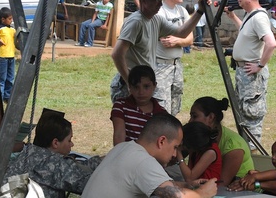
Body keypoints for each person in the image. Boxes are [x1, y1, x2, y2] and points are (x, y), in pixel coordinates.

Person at [81, 113, 217, 198]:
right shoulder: (143, 162)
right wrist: (202, 194)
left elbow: (157, 185)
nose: (175, 154)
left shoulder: (124, 148)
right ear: (162, 141)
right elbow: (176, 196)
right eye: (175, 147)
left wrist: (188, 185)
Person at [110, 0, 206, 103]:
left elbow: (182, 33)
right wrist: (130, 83)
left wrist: (200, 12)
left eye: (161, 0)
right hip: (132, 84)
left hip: (143, 82)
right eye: (156, 0)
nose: (160, 4)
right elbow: (117, 54)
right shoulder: (136, 22)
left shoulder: (156, 19)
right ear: (144, 2)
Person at [3, 113, 103, 198]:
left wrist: (102, 160)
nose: (72, 144)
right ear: (55, 143)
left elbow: (74, 167)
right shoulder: (53, 163)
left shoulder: (29, 152)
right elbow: (94, 184)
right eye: (69, 140)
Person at [225, 0, 276, 146]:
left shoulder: (259, 17)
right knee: (243, 114)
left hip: (252, 74)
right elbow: (246, 32)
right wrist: (233, 17)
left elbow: (271, 43)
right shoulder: (250, 15)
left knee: (251, 115)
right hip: (243, 72)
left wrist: (259, 65)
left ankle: (254, 155)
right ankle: (247, 151)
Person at [189, 97, 254, 186]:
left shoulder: (233, 146)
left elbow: (221, 184)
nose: (190, 121)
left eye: (194, 116)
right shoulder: (200, 139)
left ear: (211, 117)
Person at [155, 0, 193, 115]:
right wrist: (182, 39)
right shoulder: (159, 11)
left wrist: (177, 41)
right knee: (161, 106)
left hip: (176, 65)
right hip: (160, 65)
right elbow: (165, 40)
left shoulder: (182, 11)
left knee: (175, 106)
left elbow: (190, 39)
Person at [111, 65, 167, 145]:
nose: (141, 92)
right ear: (129, 87)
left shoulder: (161, 114)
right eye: (136, 87)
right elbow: (119, 136)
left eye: (146, 86)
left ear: (154, 86)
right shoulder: (121, 106)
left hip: (150, 156)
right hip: (126, 154)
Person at [0, 7, 17, 102]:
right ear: (3, 19)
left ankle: (7, 97)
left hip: (11, 56)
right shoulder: (0, 29)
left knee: (10, 78)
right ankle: (0, 97)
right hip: (2, 57)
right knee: (2, 79)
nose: (11, 21)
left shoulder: (13, 30)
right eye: (10, 19)